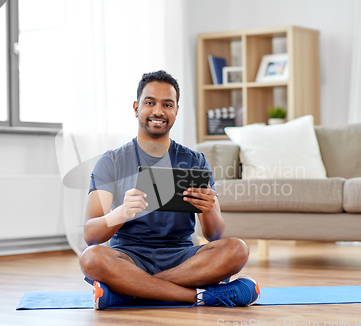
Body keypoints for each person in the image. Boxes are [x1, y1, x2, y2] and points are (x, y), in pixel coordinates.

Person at [80, 70, 260, 310]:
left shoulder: (195, 160)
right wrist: (121, 213)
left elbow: (215, 235)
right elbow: (91, 235)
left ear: (176, 110)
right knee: (91, 257)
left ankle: (128, 291)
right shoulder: (112, 161)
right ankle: (200, 296)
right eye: (149, 102)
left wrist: (208, 210)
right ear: (136, 108)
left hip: (182, 258)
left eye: (167, 104)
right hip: (129, 258)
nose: (158, 111)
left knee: (238, 249)